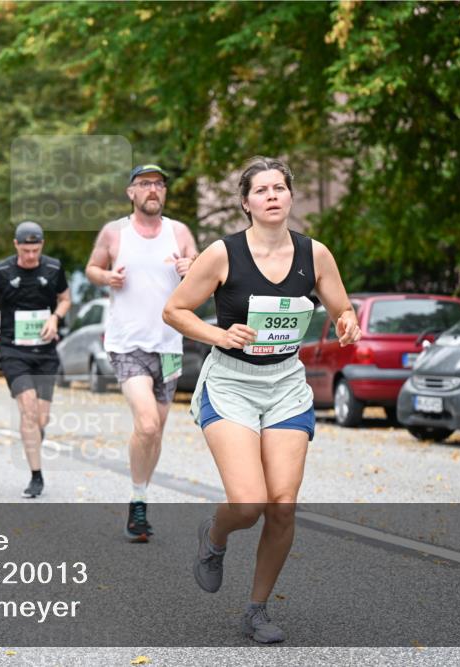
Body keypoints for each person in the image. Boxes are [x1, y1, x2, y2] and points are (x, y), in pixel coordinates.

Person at [163, 156, 361, 644]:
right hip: (230, 383)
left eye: (280, 188)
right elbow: (175, 310)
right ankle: (215, 536)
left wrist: (347, 321)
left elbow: (341, 305)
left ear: (291, 196)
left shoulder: (315, 255)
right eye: (261, 190)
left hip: (286, 386)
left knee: (283, 505)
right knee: (248, 502)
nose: (272, 195)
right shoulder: (222, 253)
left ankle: (256, 609)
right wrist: (218, 333)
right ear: (246, 202)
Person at [86, 164, 198, 542]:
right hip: (127, 343)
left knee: (156, 432)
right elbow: (91, 268)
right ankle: (137, 499)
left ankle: (141, 495)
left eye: (158, 184)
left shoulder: (179, 232)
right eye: (145, 184)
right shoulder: (113, 233)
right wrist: (107, 277)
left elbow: (200, 273)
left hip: (169, 344)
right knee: (147, 423)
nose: (153, 189)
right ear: (130, 192)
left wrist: (190, 267)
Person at [0, 222, 71, 498]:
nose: (31, 256)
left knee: (41, 418)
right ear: (16, 245)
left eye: (36, 249)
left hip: (44, 353)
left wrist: (56, 317)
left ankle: (33, 438)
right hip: (13, 351)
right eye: (26, 250)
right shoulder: (2, 271)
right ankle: (36, 476)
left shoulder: (53, 268)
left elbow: (65, 299)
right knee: (28, 409)